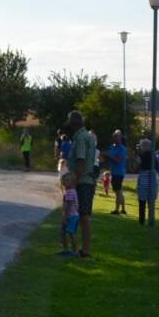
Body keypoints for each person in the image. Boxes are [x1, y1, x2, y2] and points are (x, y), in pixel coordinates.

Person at [67, 110, 98, 258]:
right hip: (86, 181)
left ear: (73, 123)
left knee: (84, 216)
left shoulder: (80, 138)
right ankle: (83, 249)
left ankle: (85, 250)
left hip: (83, 182)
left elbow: (81, 161)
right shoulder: (88, 135)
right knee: (83, 215)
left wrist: (74, 182)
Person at [135, 137, 159, 226]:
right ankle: (151, 219)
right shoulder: (154, 156)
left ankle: (141, 220)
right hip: (153, 180)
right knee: (151, 203)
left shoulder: (142, 156)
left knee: (142, 202)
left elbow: (137, 167)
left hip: (144, 180)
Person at [57, 168, 81, 256]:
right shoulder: (70, 191)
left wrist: (66, 217)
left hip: (71, 216)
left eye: (67, 181)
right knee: (63, 232)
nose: (64, 182)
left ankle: (75, 252)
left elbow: (69, 206)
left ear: (73, 182)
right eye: (64, 180)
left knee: (71, 233)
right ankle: (65, 249)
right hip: (71, 215)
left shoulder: (70, 192)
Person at [106, 130, 129, 214]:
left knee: (118, 191)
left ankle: (117, 209)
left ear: (120, 137)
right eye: (114, 136)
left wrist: (109, 156)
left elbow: (118, 160)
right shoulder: (112, 147)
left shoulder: (122, 148)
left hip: (119, 172)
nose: (114, 137)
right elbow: (108, 156)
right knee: (119, 190)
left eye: (116, 136)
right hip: (113, 171)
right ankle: (123, 209)